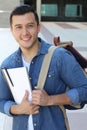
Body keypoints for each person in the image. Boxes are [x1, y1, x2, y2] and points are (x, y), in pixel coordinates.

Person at [0, 4, 87, 130]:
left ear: (38, 27)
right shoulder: (8, 65)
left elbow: (84, 88)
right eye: (18, 27)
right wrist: (17, 109)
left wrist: (50, 100)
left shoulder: (59, 57)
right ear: (12, 31)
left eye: (30, 26)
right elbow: (1, 100)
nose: (25, 33)